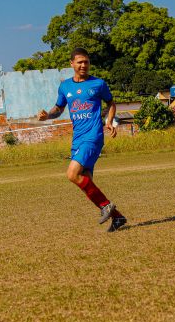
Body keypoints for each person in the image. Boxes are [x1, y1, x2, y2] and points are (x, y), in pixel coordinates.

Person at [37, 48, 127, 232]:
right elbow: (59, 108)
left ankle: (106, 206)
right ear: (71, 64)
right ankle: (118, 218)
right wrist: (47, 116)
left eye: (86, 62)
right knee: (86, 181)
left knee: (72, 174)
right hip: (77, 139)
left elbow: (111, 103)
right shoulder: (65, 87)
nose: (83, 65)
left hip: (93, 136)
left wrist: (109, 121)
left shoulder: (98, 84)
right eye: (79, 62)